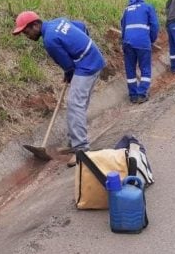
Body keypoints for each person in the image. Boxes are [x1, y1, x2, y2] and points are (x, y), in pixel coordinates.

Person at [12, 11, 106, 167]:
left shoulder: (49, 40)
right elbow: (82, 26)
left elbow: (68, 66)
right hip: (92, 58)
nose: (26, 36)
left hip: (87, 65)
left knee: (75, 104)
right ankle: (74, 141)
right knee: (78, 104)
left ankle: (81, 151)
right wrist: (84, 46)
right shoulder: (58, 21)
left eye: (27, 31)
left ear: (35, 25)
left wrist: (69, 74)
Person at [120, 0, 159, 104]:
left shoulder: (126, 10)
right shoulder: (148, 7)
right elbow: (155, 25)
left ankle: (133, 95)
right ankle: (141, 94)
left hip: (127, 43)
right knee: (145, 68)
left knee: (130, 69)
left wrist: (124, 41)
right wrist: (151, 39)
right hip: (142, 42)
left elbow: (123, 28)